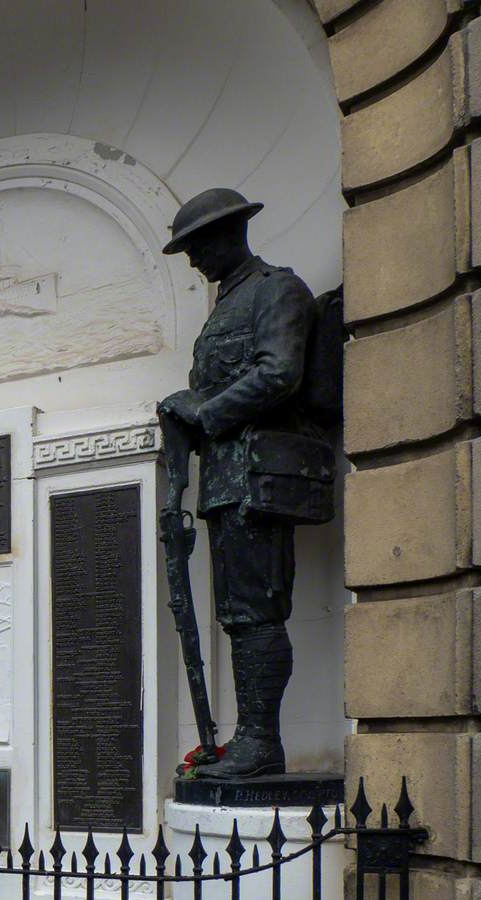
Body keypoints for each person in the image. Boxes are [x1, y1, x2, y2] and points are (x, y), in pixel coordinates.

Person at [158, 188, 322, 779]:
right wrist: (187, 406)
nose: (194, 260)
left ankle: (260, 741)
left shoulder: (277, 289)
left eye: (197, 246)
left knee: (255, 613)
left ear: (228, 234)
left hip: (259, 478)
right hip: (228, 484)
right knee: (237, 613)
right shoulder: (225, 306)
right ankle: (250, 736)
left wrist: (203, 412)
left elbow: (280, 372)